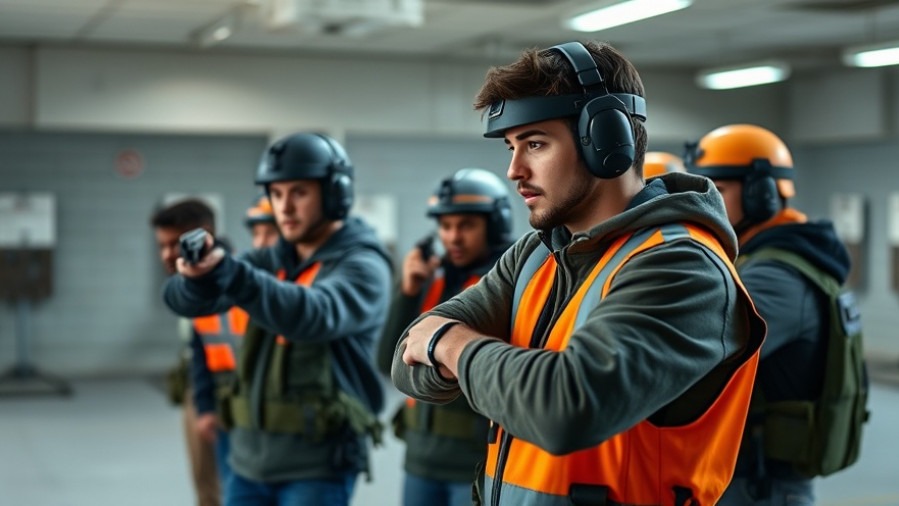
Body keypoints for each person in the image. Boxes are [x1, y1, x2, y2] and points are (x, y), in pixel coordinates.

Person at [389, 40, 766, 506]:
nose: (513, 169)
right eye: (511, 147)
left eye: (535, 144)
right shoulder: (536, 253)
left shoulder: (681, 265)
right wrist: (453, 354)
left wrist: (450, 343)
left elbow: (565, 408)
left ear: (606, 141)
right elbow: (408, 360)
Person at [163, 132, 391, 506]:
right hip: (249, 462)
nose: (283, 207)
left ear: (335, 193)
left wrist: (231, 275)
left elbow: (314, 313)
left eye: (298, 192)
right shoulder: (273, 258)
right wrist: (195, 276)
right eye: (277, 193)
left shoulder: (363, 265)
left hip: (317, 468)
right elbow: (181, 301)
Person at [685, 124, 854, 505]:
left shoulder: (776, 277)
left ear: (762, 196)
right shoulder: (767, 258)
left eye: (718, 191)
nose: (705, 203)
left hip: (759, 484)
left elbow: (703, 352)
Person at [376, 168, 513, 506]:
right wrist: (408, 291)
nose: (453, 237)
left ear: (493, 226)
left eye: (466, 225)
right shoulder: (431, 281)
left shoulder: (507, 288)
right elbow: (385, 363)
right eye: (446, 226)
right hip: (420, 461)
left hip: (476, 464)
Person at [190, 195, 283, 498]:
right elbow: (200, 352)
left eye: (271, 233)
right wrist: (205, 406)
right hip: (228, 408)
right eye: (257, 234)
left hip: (276, 418)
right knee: (231, 486)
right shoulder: (236, 285)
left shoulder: (300, 292)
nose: (262, 242)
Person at [150, 198, 223, 506]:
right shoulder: (186, 282)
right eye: (161, 246)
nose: (167, 255)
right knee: (206, 487)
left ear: (202, 235)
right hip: (203, 390)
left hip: (232, 391)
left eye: (174, 244)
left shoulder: (229, 278)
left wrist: (206, 406)